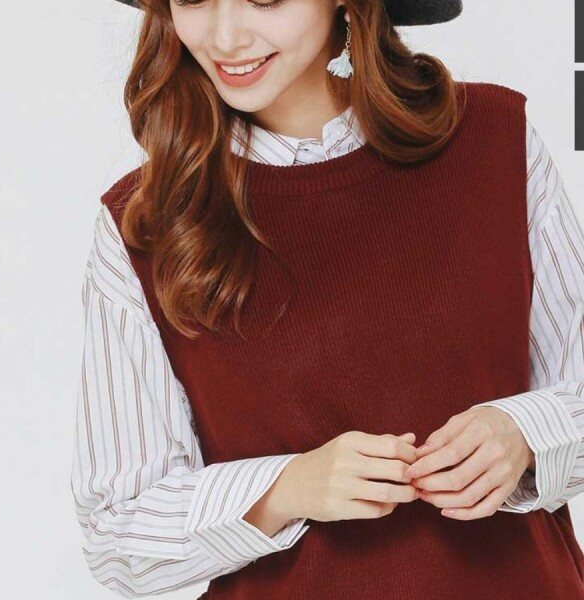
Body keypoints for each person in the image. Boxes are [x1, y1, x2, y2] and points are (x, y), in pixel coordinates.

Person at [70, 0, 584, 598]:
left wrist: (524, 433)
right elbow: (117, 531)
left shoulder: (494, 140)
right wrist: (287, 487)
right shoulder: (144, 227)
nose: (225, 37)